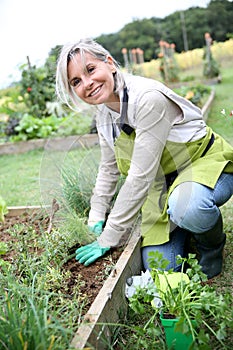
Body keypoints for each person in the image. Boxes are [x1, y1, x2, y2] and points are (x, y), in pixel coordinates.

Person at [56, 38, 233, 280]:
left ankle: (210, 246)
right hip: (161, 188)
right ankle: (186, 227)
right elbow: (108, 169)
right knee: (160, 269)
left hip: (201, 165)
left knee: (188, 207)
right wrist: (96, 215)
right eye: (76, 81)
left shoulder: (147, 98)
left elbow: (140, 176)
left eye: (91, 70)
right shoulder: (104, 115)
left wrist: (109, 236)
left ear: (109, 63)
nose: (87, 83)